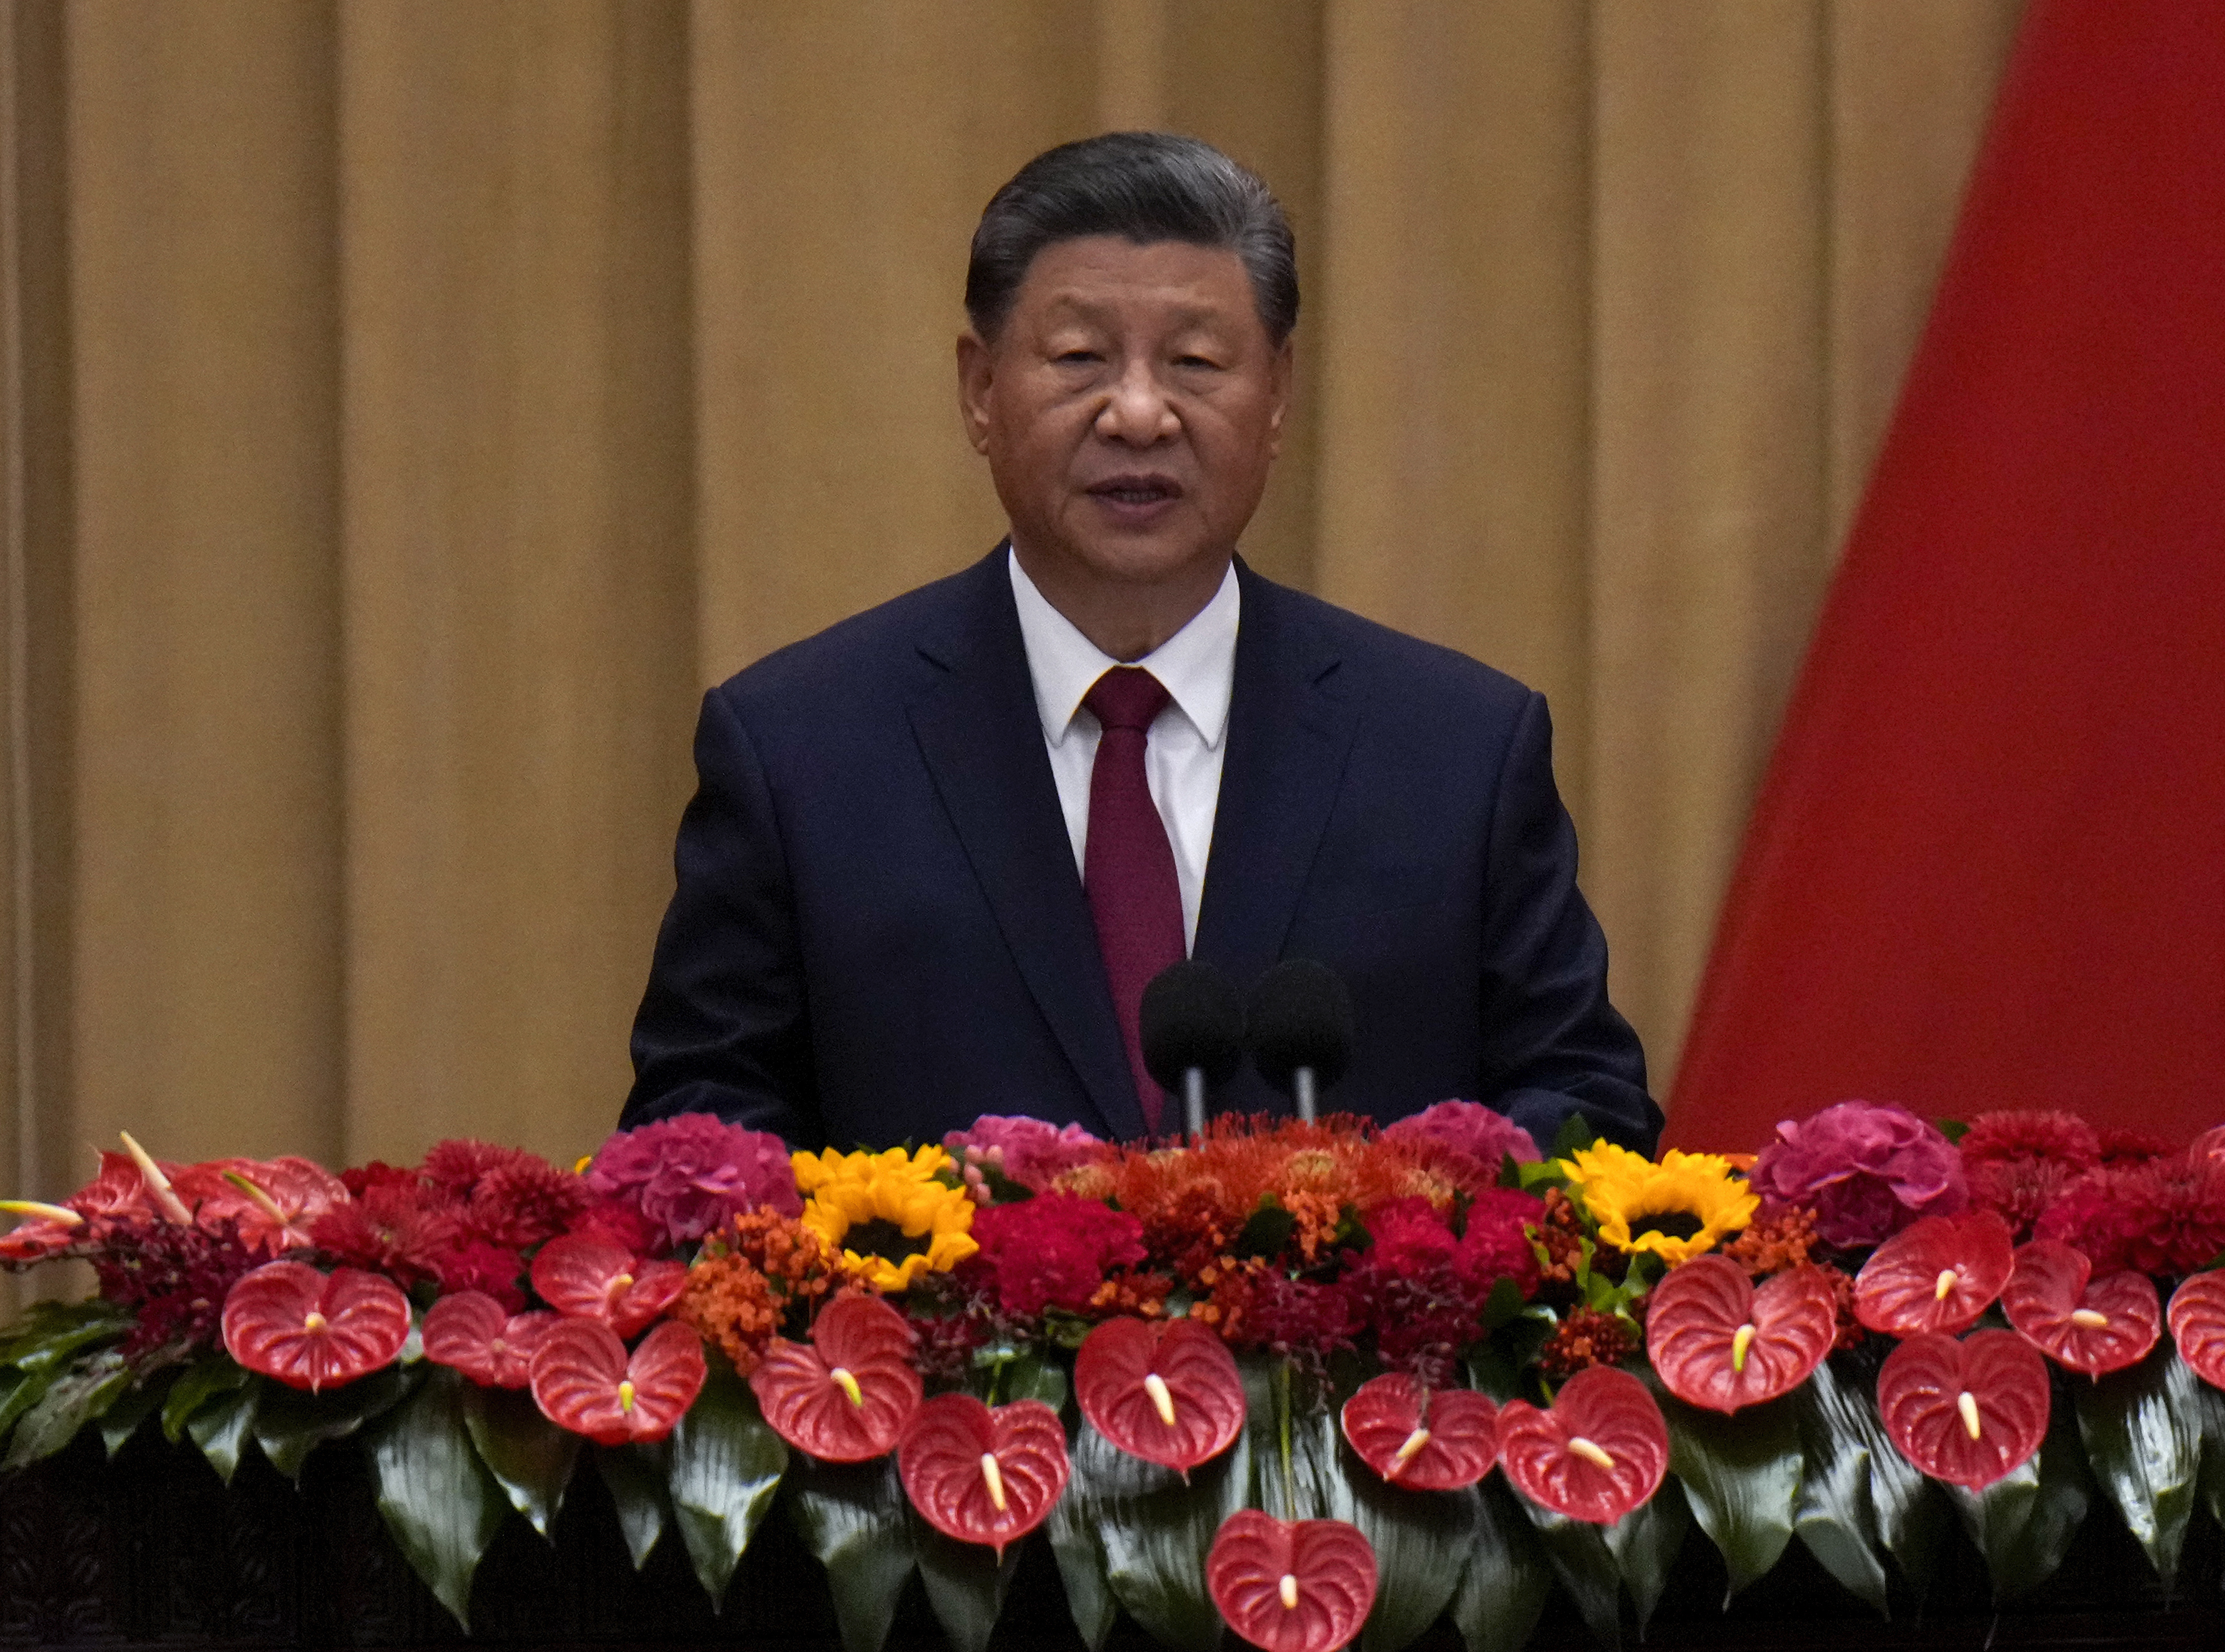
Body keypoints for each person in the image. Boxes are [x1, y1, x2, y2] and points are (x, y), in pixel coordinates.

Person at [619, 132, 1659, 1154]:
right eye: (1079, 359)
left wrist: (1407, 1228)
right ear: (981, 389)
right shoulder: (801, 750)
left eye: (1196, 362)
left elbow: (1583, 1109)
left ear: (1279, 394)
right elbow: (696, 1138)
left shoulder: (1456, 751)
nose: (1138, 413)